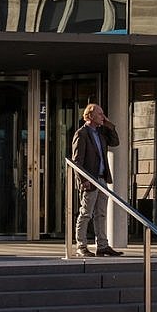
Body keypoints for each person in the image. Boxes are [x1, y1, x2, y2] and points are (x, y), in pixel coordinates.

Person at [70, 102, 122, 256]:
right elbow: (77, 160)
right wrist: (82, 179)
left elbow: (115, 142)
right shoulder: (82, 133)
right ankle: (82, 246)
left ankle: (102, 246)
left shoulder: (101, 133)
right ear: (90, 115)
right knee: (86, 213)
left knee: (101, 213)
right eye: (100, 114)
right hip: (89, 179)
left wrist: (109, 124)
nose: (102, 116)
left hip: (101, 179)